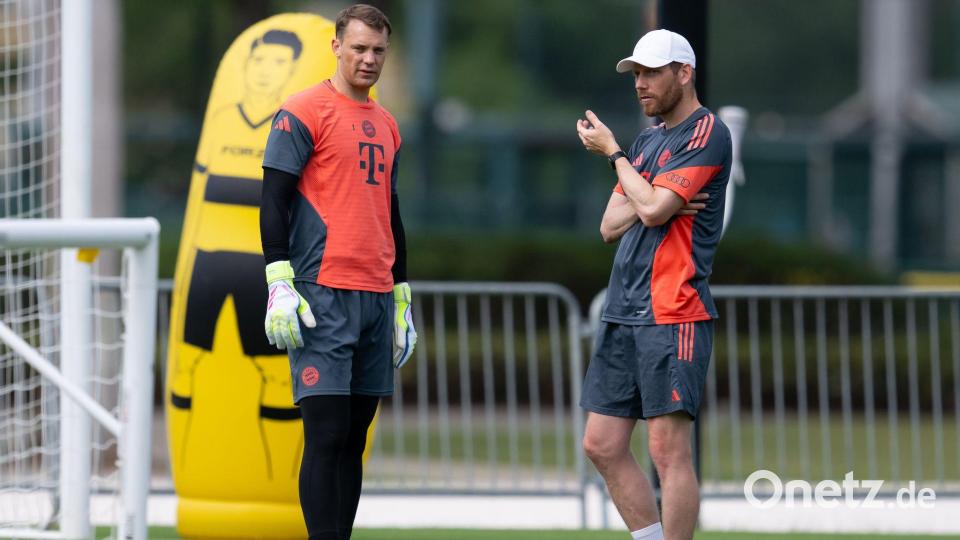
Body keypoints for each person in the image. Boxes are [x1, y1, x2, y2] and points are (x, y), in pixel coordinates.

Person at [258, 5, 416, 539]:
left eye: (378, 51)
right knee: (325, 435)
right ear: (337, 46)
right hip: (320, 295)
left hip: (375, 297)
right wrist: (278, 280)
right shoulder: (302, 111)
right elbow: (273, 199)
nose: (368, 59)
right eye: (359, 48)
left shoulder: (389, 124)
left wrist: (401, 296)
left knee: (353, 439)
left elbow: (391, 215)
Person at [575, 29, 732, 540]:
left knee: (667, 453)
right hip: (624, 311)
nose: (640, 84)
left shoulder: (708, 133)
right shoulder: (648, 140)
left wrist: (616, 157)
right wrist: (653, 199)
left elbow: (649, 207)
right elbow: (608, 224)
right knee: (601, 444)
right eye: (635, 74)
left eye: (650, 73)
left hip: (673, 310)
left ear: (683, 74)